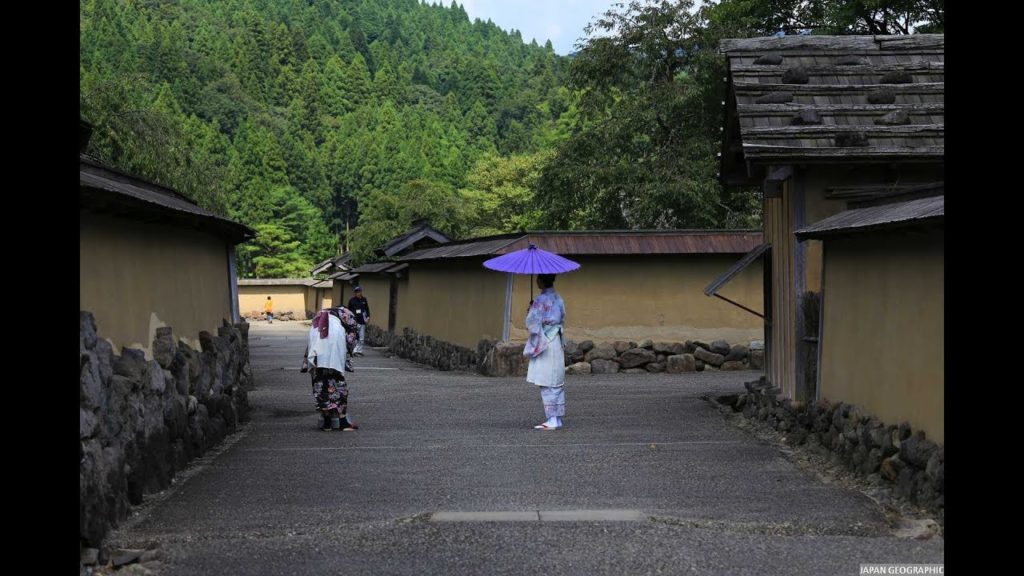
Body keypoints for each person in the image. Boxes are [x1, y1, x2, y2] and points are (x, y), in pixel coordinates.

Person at [303, 305, 360, 431]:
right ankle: (342, 420)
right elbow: (352, 337)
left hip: (316, 335)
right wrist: (348, 356)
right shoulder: (348, 314)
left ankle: (326, 421)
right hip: (334, 340)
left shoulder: (322, 313)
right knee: (337, 380)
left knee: (320, 381)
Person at [523, 274, 566, 430]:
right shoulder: (558, 298)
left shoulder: (540, 300)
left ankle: (552, 419)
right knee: (556, 380)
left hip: (545, 341)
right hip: (556, 339)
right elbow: (562, 317)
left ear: (540, 281)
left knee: (547, 380)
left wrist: (531, 310)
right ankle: (557, 418)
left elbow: (532, 323)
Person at [347, 286, 370, 356]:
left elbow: (367, 308)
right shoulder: (352, 300)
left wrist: (368, 316)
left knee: (362, 337)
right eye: (356, 292)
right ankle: (354, 351)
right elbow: (348, 310)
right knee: (355, 337)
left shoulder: (364, 300)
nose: (358, 293)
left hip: (362, 321)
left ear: (361, 292)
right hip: (354, 321)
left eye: (359, 292)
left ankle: (359, 351)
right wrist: (349, 319)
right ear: (355, 293)